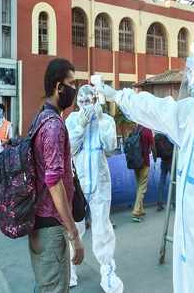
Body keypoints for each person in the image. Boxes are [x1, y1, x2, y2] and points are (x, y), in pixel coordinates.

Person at [95, 53, 194, 293]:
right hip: (188, 246)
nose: (190, 83)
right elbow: (155, 109)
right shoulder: (192, 113)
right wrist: (116, 95)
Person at [29, 58, 84, 293]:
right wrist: (73, 234)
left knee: (46, 285)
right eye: (72, 84)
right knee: (54, 288)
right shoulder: (53, 125)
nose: (75, 89)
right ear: (59, 87)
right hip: (51, 225)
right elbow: (54, 181)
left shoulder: (42, 118)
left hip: (42, 220)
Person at [66, 85, 124, 293]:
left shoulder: (106, 120)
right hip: (78, 182)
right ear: (77, 103)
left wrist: (100, 121)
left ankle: (107, 271)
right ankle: (70, 270)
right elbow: (69, 149)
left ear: (96, 101)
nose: (86, 106)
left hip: (100, 182)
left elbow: (110, 147)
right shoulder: (72, 120)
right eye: (81, 102)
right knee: (74, 226)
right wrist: (80, 126)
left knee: (102, 227)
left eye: (89, 101)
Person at [131, 125, 156, 222]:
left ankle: (140, 209)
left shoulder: (136, 129)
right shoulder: (147, 130)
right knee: (142, 187)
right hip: (144, 162)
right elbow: (153, 146)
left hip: (135, 162)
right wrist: (155, 156)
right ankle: (136, 211)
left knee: (139, 186)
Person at [154, 133, 173, 211]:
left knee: (161, 183)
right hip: (171, 161)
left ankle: (159, 203)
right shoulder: (168, 135)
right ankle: (175, 202)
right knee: (174, 182)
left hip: (163, 161)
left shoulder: (157, 137)